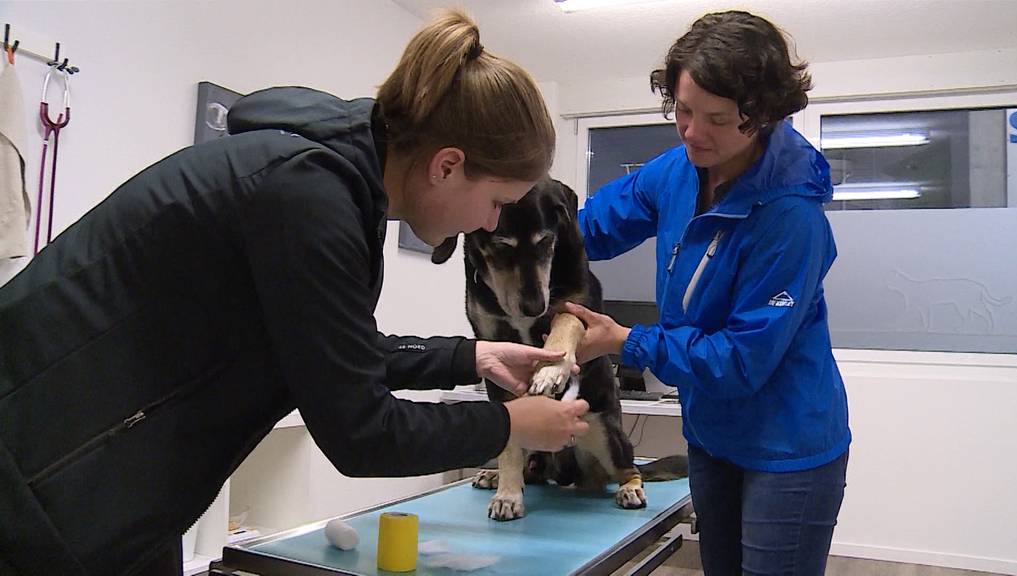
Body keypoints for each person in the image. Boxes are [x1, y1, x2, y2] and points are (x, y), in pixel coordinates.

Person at [0, 10, 590, 576]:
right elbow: (363, 434)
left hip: (104, 488)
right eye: (497, 203)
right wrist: (509, 425)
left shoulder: (329, 187)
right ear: (447, 166)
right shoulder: (307, 197)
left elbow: (334, 350)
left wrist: (473, 357)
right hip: (37, 487)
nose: (490, 224)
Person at [565, 11, 851, 576]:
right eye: (683, 110)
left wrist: (627, 341)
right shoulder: (678, 171)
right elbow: (589, 230)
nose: (692, 131)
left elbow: (740, 362)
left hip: (786, 449)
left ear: (763, 116)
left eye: (716, 119)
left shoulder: (790, 220)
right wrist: (510, 215)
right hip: (711, 433)